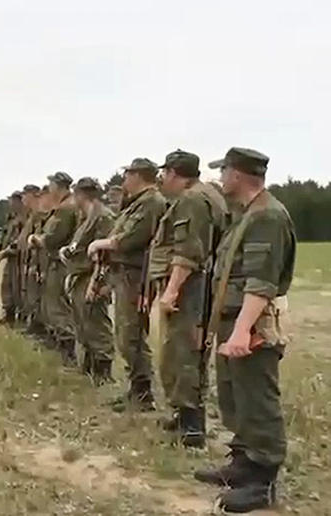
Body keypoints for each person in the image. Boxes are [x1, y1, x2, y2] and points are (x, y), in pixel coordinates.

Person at [194, 148, 295, 513]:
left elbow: (260, 282)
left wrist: (241, 331)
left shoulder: (267, 216)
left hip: (251, 324)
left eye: (224, 172)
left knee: (258, 399)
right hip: (235, 320)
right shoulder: (247, 214)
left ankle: (262, 481)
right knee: (236, 396)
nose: (221, 178)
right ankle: (243, 463)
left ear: (237, 175)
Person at [148, 150, 227, 448]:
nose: (162, 180)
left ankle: (193, 427)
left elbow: (189, 252)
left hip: (192, 287)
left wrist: (171, 290)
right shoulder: (207, 194)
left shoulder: (192, 200)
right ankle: (184, 415)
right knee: (182, 351)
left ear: (173, 173)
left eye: (165, 173)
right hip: (199, 285)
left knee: (184, 352)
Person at [88, 158, 167, 412]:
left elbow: (132, 238)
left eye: (128, 174)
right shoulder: (138, 203)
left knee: (131, 334)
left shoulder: (151, 202)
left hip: (137, 277)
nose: (124, 180)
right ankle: (137, 388)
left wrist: (102, 244)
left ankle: (143, 393)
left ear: (139, 176)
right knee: (125, 333)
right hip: (126, 275)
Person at [61, 177, 115, 383]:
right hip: (80, 275)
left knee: (97, 324)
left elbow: (105, 255)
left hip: (93, 276)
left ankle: (103, 372)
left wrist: (98, 282)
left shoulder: (103, 217)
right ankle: (90, 365)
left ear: (81, 194)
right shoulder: (87, 216)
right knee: (84, 323)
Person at [29, 172, 79, 364]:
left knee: (59, 307)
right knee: (56, 305)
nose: (49, 189)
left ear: (58, 186)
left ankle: (67, 351)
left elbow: (52, 238)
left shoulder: (66, 209)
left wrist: (36, 239)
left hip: (60, 264)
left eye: (50, 185)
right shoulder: (65, 206)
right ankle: (62, 345)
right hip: (59, 261)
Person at [17, 185, 43, 335]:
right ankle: (32, 325)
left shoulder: (39, 214)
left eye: (25, 195)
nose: (23, 199)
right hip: (28, 258)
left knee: (35, 296)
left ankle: (37, 328)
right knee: (29, 294)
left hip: (36, 260)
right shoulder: (32, 214)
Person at [0, 192, 25, 325]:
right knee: (6, 285)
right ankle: (8, 313)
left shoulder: (23, 219)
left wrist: (7, 251)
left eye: (13, 201)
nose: (10, 203)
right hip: (9, 256)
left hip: (17, 257)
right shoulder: (11, 218)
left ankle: (14, 315)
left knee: (15, 286)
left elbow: (19, 241)